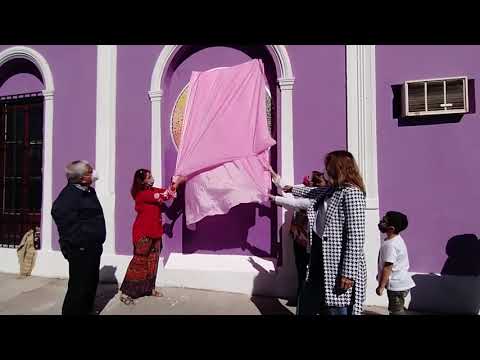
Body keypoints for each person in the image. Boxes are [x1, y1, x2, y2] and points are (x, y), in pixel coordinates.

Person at [283, 150, 367, 316]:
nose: (326, 169)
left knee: (336, 306)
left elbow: (356, 237)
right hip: (319, 257)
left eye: (328, 166)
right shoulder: (332, 190)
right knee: (309, 301)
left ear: (338, 167)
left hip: (338, 264)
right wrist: (289, 188)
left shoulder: (352, 193)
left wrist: (348, 273)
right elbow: (311, 192)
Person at [51, 160, 105, 315]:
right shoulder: (69, 195)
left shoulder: (89, 191)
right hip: (80, 249)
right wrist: (80, 241)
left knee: (90, 285)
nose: (93, 173)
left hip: (93, 248)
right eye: (89, 172)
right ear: (81, 178)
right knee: (78, 288)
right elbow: (59, 214)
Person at [119, 169, 179, 305]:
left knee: (152, 262)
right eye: (149, 177)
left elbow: (166, 191)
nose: (152, 178)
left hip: (155, 232)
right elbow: (164, 195)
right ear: (143, 181)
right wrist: (176, 184)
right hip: (143, 234)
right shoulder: (142, 195)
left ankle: (148, 289)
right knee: (138, 263)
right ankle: (126, 293)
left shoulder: (152, 190)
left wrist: (175, 184)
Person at [268, 168, 327, 304]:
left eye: (312, 181)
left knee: (311, 271)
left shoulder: (316, 198)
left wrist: (274, 198)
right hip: (299, 238)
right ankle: (301, 297)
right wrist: (273, 174)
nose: (308, 181)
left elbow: (294, 203)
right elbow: (288, 189)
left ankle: (311, 300)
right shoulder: (304, 189)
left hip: (311, 240)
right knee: (301, 269)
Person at [376, 211, 415, 315]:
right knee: (396, 309)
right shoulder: (397, 240)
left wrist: (381, 286)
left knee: (396, 311)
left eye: (384, 221)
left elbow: (388, 267)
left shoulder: (391, 245)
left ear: (391, 228)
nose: (380, 222)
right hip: (401, 282)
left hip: (396, 285)